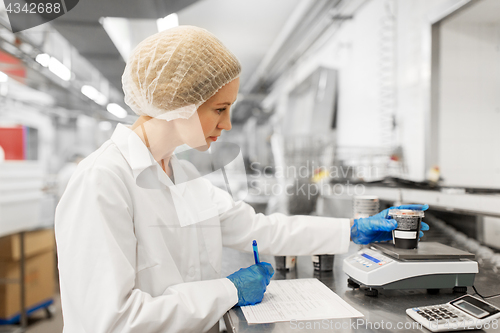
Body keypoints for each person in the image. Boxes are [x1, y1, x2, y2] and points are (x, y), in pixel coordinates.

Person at [55, 26, 428, 333]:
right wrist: (227, 290)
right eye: (220, 109)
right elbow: (109, 322)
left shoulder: (181, 174)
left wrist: (352, 229)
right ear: (177, 102)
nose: (228, 124)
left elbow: (260, 229)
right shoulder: (102, 181)